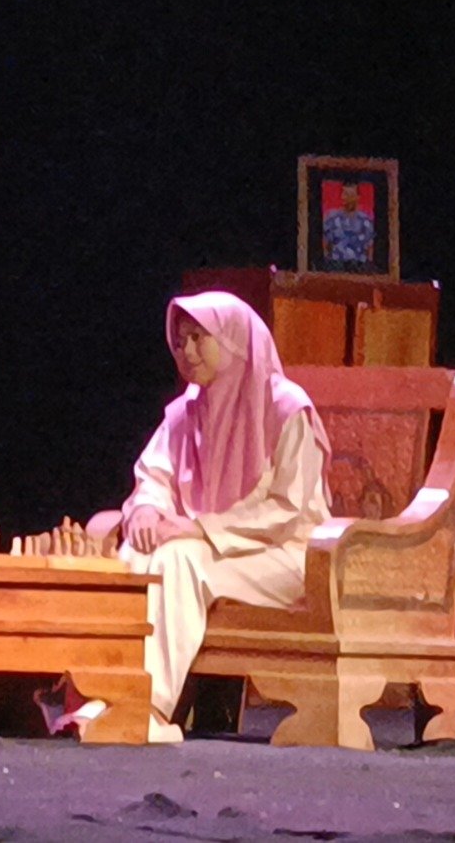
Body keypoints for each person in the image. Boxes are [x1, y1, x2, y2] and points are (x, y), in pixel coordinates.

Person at [82, 291, 332, 743]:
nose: (187, 351)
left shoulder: (285, 407)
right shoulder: (185, 411)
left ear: (232, 338)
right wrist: (147, 508)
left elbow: (288, 508)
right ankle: (105, 697)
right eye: (180, 342)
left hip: (289, 556)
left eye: (199, 337)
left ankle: (145, 707)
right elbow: (155, 473)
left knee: (180, 560)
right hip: (213, 551)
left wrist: (200, 528)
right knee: (136, 555)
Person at [321, 181, 375, 265]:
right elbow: (325, 246)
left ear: (357, 197)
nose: (344, 197)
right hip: (336, 266)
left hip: (360, 267)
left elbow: (370, 249)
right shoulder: (332, 219)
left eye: (348, 195)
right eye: (343, 194)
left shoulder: (365, 221)